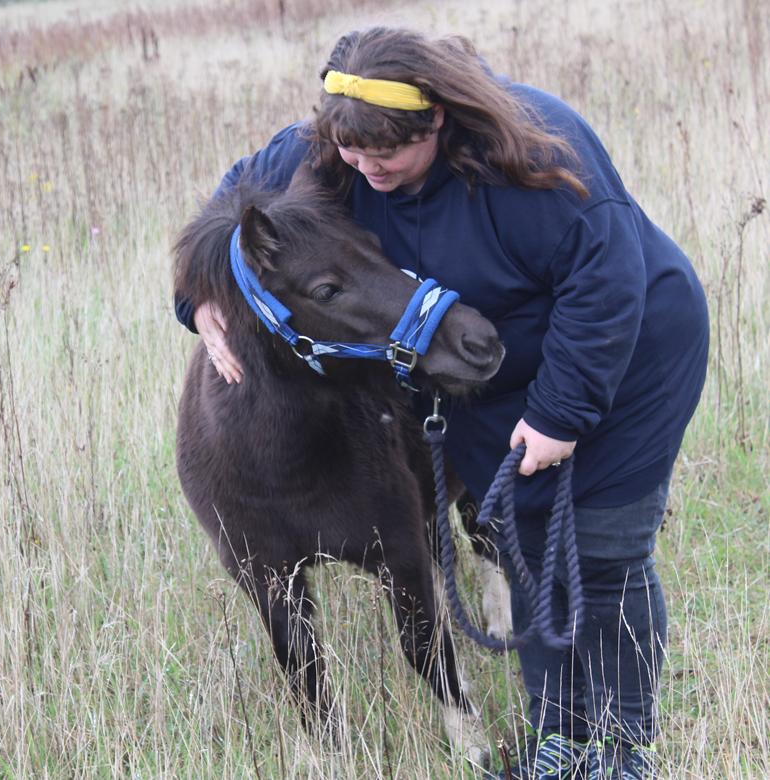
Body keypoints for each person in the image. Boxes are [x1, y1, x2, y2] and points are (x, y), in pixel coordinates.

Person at [173, 27, 709, 780]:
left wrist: (562, 413)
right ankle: (560, 737)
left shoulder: (536, 149)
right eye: (353, 155)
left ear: (438, 121)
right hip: (487, 363)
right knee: (525, 543)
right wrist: (198, 298)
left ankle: (623, 750)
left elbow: (609, 283)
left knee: (603, 550)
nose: (366, 170)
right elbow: (232, 208)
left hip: (628, 352)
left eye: (385, 157)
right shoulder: (338, 142)